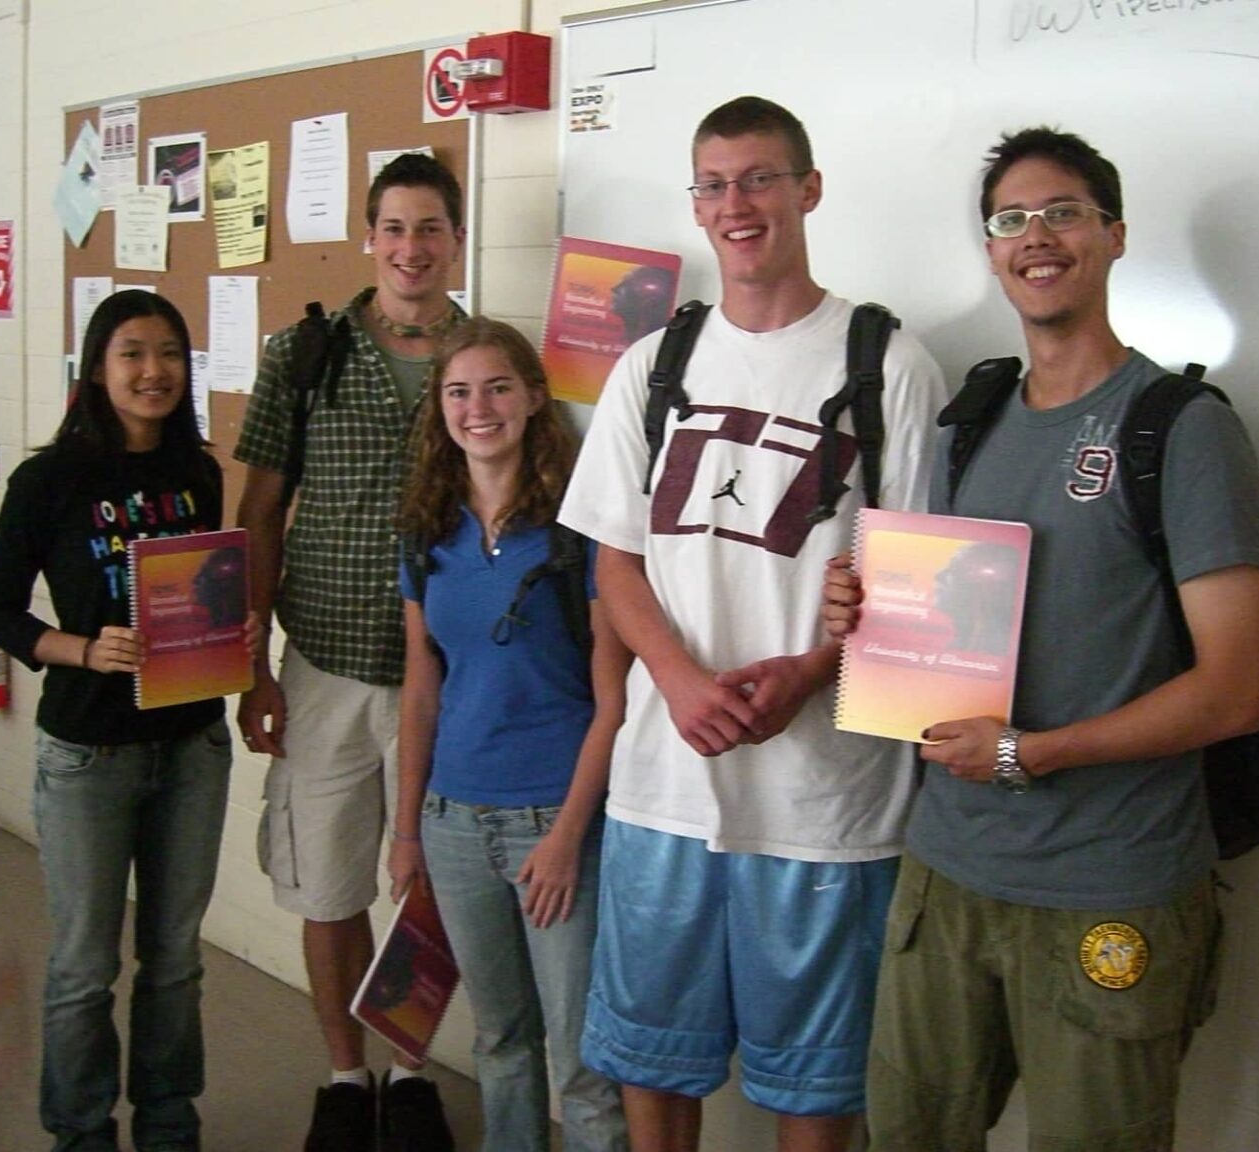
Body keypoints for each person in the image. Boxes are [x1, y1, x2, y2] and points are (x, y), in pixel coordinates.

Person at [825, 128, 1259, 1151]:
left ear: (1113, 234)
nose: (1037, 236)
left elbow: (1238, 690)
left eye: (1064, 211)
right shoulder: (968, 419)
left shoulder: (1182, 428)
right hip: (946, 877)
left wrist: (1033, 753)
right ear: (989, 251)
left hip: (1105, 891)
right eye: (1010, 220)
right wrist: (867, 615)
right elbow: (941, 637)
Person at [557, 96, 947, 1152]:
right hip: (663, 796)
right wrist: (680, 681)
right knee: (651, 1077)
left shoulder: (890, 367)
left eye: (762, 179)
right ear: (697, 204)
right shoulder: (653, 366)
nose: (738, 205)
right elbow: (614, 560)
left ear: (808, 189)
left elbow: (922, 599)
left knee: (815, 1100)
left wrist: (817, 669)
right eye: (716, 185)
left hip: (828, 808)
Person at [232, 153, 463, 1152]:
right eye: (394, 228)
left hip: (451, 676)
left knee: (431, 889)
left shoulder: (489, 355)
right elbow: (259, 512)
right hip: (322, 660)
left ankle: (411, 1072)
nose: (412, 248)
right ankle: (343, 1074)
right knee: (328, 886)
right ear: (371, 238)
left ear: (456, 239)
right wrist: (251, 663)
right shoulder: (306, 352)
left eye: (431, 228)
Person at [0, 289, 235, 1152]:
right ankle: (81, 1131)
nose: (153, 370)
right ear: (96, 367)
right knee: (85, 969)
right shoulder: (49, 480)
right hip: (88, 752)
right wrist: (82, 649)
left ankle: (168, 1125)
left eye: (168, 352)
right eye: (132, 352)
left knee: (175, 962)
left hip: (192, 744)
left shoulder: (198, 471)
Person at [387, 318, 630, 1152]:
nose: (477, 408)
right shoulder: (426, 532)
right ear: (440, 410)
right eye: (458, 391)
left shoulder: (579, 534)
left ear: (533, 398)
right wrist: (407, 830)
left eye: (496, 387)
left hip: (552, 825)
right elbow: (422, 690)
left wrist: (567, 836)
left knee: (584, 1063)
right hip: (454, 822)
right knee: (499, 1041)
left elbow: (613, 700)